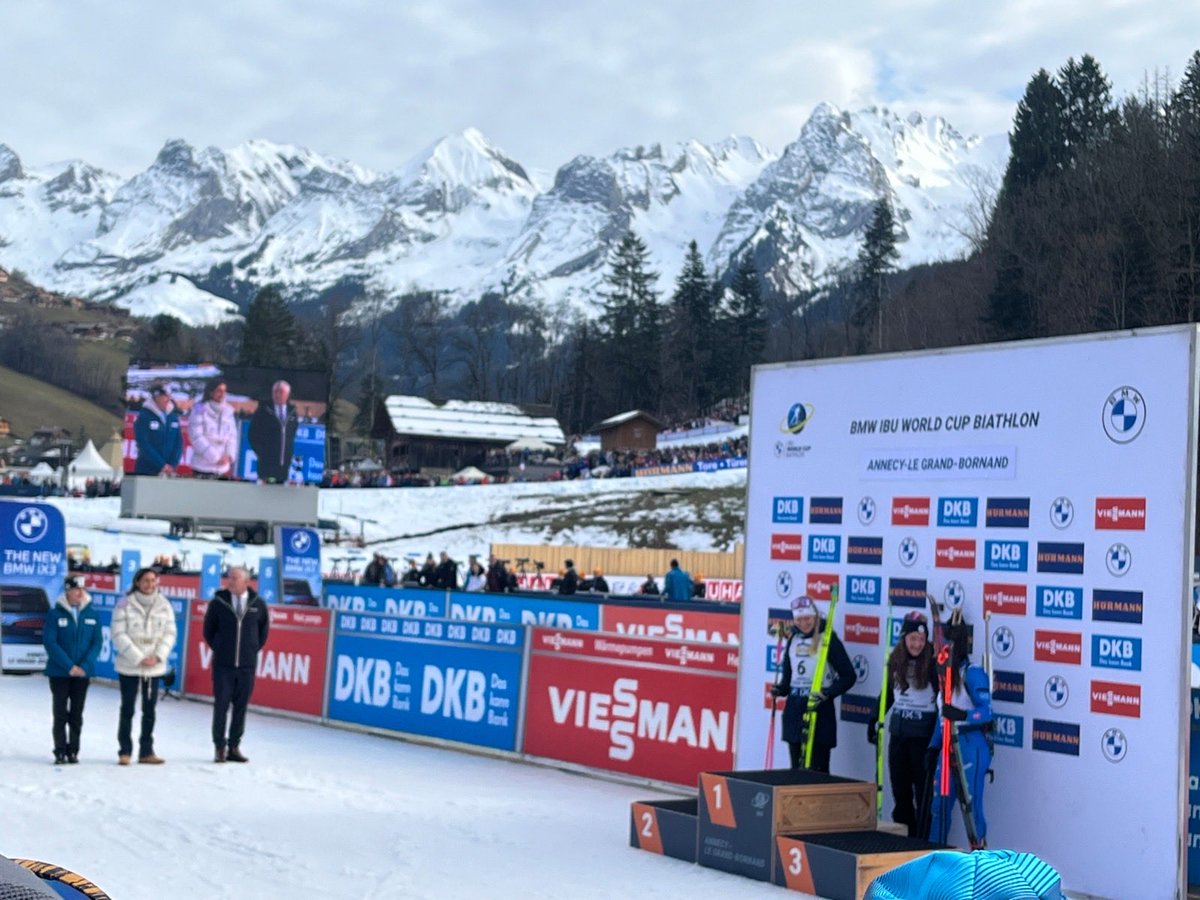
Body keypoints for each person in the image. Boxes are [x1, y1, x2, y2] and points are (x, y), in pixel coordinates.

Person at [869, 611, 938, 837]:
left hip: (922, 737)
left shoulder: (933, 663)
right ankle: (904, 839)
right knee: (900, 791)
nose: (917, 644)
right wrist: (874, 718)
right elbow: (887, 694)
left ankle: (921, 841)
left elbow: (943, 702)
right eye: (912, 639)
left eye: (921, 639)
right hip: (899, 734)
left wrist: (936, 741)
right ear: (904, 638)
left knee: (923, 793)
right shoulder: (896, 660)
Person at [927, 615, 993, 848]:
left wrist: (963, 715)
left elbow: (987, 712)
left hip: (970, 744)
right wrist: (933, 747)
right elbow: (942, 715)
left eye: (945, 646)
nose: (940, 652)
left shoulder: (972, 673)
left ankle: (981, 866)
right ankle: (936, 863)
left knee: (971, 806)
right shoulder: (944, 675)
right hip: (947, 745)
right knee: (940, 807)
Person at [772, 595, 855, 773]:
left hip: (819, 710)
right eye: (799, 619)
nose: (804, 623)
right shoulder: (793, 640)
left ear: (815, 617)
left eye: (808, 618)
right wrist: (780, 689)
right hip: (795, 710)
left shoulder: (827, 639)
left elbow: (849, 676)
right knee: (796, 770)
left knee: (817, 770)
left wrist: (827, 693)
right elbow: (787, 680)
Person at [111, 567, 176, 765]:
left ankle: (146, 751)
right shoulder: (124, 604)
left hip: (153, 668)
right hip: (130, 666)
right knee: (128, 708)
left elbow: (170, 633)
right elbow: (118, 634)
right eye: (146, 580)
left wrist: (157, 656)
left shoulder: (164, 605)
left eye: (153, 580)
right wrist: (138, 657)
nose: (150, 584)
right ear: (137, 582)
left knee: (150, 710)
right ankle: (125, 751)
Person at [204, 567, 270, 763]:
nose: (230, 581)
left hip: (246, 666)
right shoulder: (218, 602)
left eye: (235, 578)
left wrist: (249, 650)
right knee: (221, 706)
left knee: (241, 707)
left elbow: (262, 632)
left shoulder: (258, 604)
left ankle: (234, 746)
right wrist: (220, 647)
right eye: (229, 577)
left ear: (246, 582)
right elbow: (209, 630)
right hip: (223, 665)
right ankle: (219, 747)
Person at [42, 575, 102, 764]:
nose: (80, 593)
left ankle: (73, 750)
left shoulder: (92, 614)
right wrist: (69, 666)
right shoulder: (55, 614)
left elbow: (97, 642)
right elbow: (50, 642)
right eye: (76, 589)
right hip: (60, 672)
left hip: (82, 673)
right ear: (67, 590)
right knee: (60, 712)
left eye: (82, 589)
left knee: (76, 713)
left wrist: (83, 666)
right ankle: (59, 750)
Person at [248, 380, 298, 483]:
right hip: (266, 462)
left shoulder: (292, 412)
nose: (278, 395)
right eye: (276, 392)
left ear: (287, 394)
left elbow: (292, 432)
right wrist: (262, 453)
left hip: (284, 462)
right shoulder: (263, 410)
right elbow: (252, 434)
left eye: (281, 392)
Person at [188, 377, 238, 478]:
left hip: (223, 468)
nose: (222, 394)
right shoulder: (199, 408)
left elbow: (232, 437)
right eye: (219, 391)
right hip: (202, 467)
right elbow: (196, 436)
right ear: (211, 392)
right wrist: (215, 457)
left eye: (224, 391)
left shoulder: (228, 410)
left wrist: (228, 456)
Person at [133, 384, 183, 476]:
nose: (168, 399)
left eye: (169, 396)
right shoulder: (144, 416)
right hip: (146, 470)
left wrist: (172, 465)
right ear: (156, 397)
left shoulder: (173, 417)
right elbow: (143, 444)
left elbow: (178, 443)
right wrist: (161, 465)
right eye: (165, 396)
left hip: (168, 473)